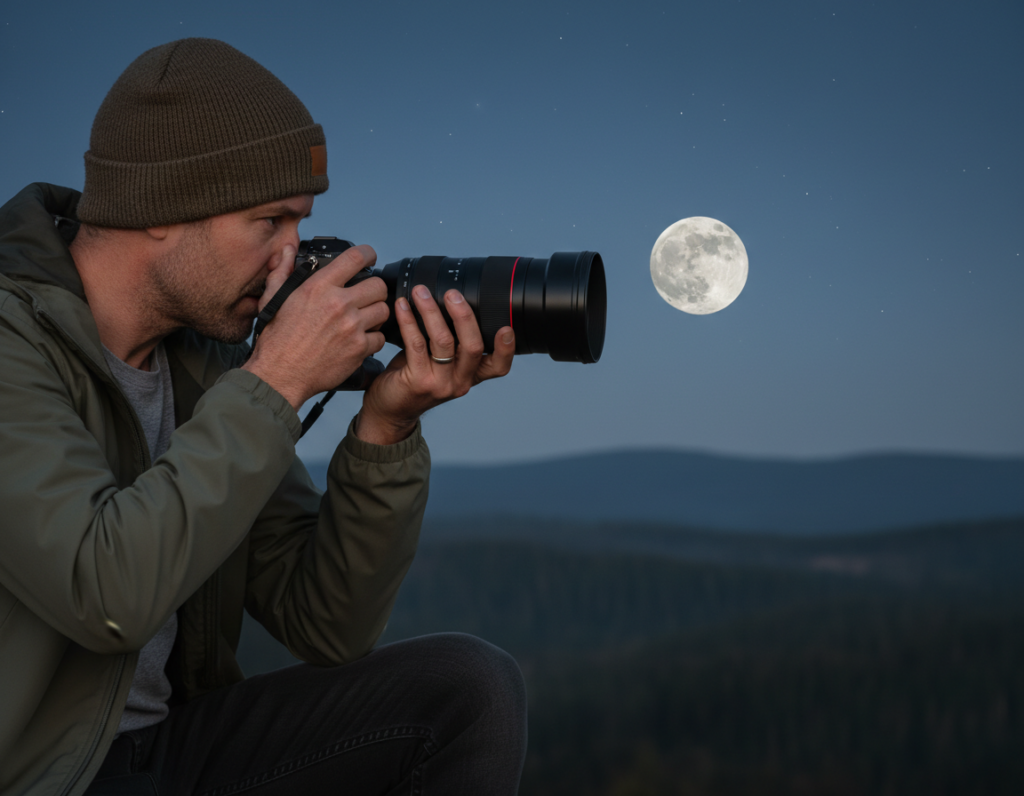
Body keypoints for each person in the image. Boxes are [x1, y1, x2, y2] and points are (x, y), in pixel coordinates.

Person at [0, 38, 526, 795]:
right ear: (162, 207)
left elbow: (326, 623)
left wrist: (386, 429)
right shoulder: (15, 335)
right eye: (269, 222)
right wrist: (276, 379)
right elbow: (105, 595)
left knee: (467, 689)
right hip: (43, 777)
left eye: (300, 224)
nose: (291, 258)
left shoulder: (203, 366)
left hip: (170, 751)